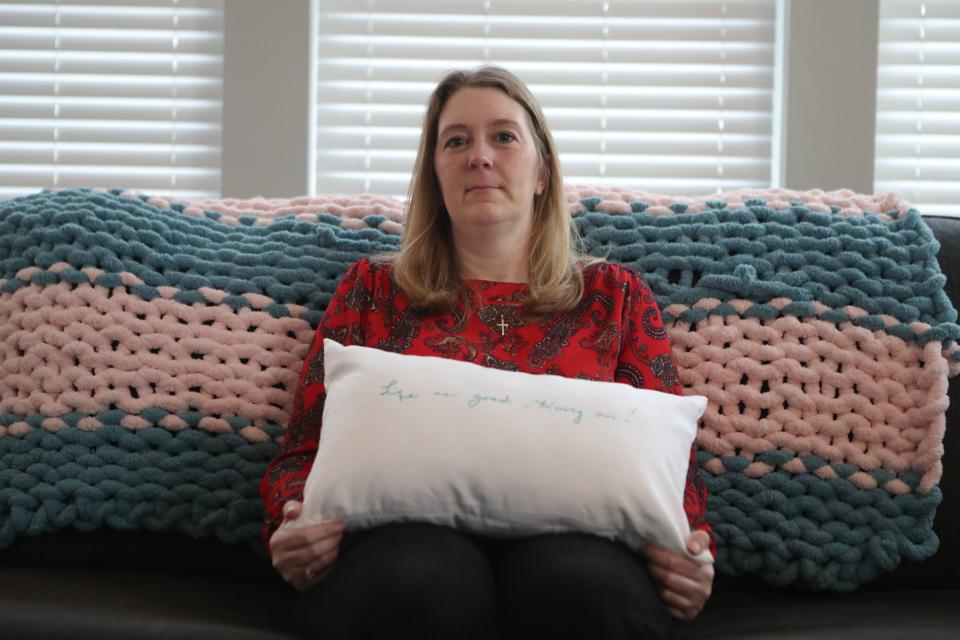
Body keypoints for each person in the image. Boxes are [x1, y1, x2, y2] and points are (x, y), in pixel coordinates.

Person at [260, 65, 715, 640]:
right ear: (435, 172)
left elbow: (673, 469)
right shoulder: (370, 292)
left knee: (581, 585)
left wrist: (691, 552)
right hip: (395, 554)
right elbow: (302, 453)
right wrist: (293, 526)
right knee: (427, 577)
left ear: (542, 170)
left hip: (580, 552)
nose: (480, 156)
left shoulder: (615, 299)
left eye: (503, 136)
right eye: (457, 141)